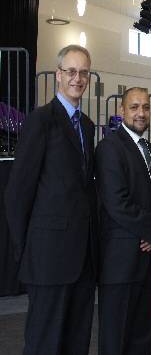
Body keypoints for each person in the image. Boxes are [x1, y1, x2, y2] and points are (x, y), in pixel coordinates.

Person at [4, 45, 98, 355]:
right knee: (44, 343)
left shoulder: (86, 125)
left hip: (81, 260)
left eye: (83, 72)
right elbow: (18, 192)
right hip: (47, 259)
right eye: (71, 71)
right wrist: (25, 250)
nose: (77, 78)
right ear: (58, 75)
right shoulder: (40, 121)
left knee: (76, 341)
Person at [95, 87, 151, 355]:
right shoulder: (109, 148)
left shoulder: (148, 148)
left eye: (146, 107)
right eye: (135, 107)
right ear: (121, 111)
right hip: (120, 264)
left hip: (147, 262)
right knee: (116, 340)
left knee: (141, 338)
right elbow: (117, 203)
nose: (141, 113)